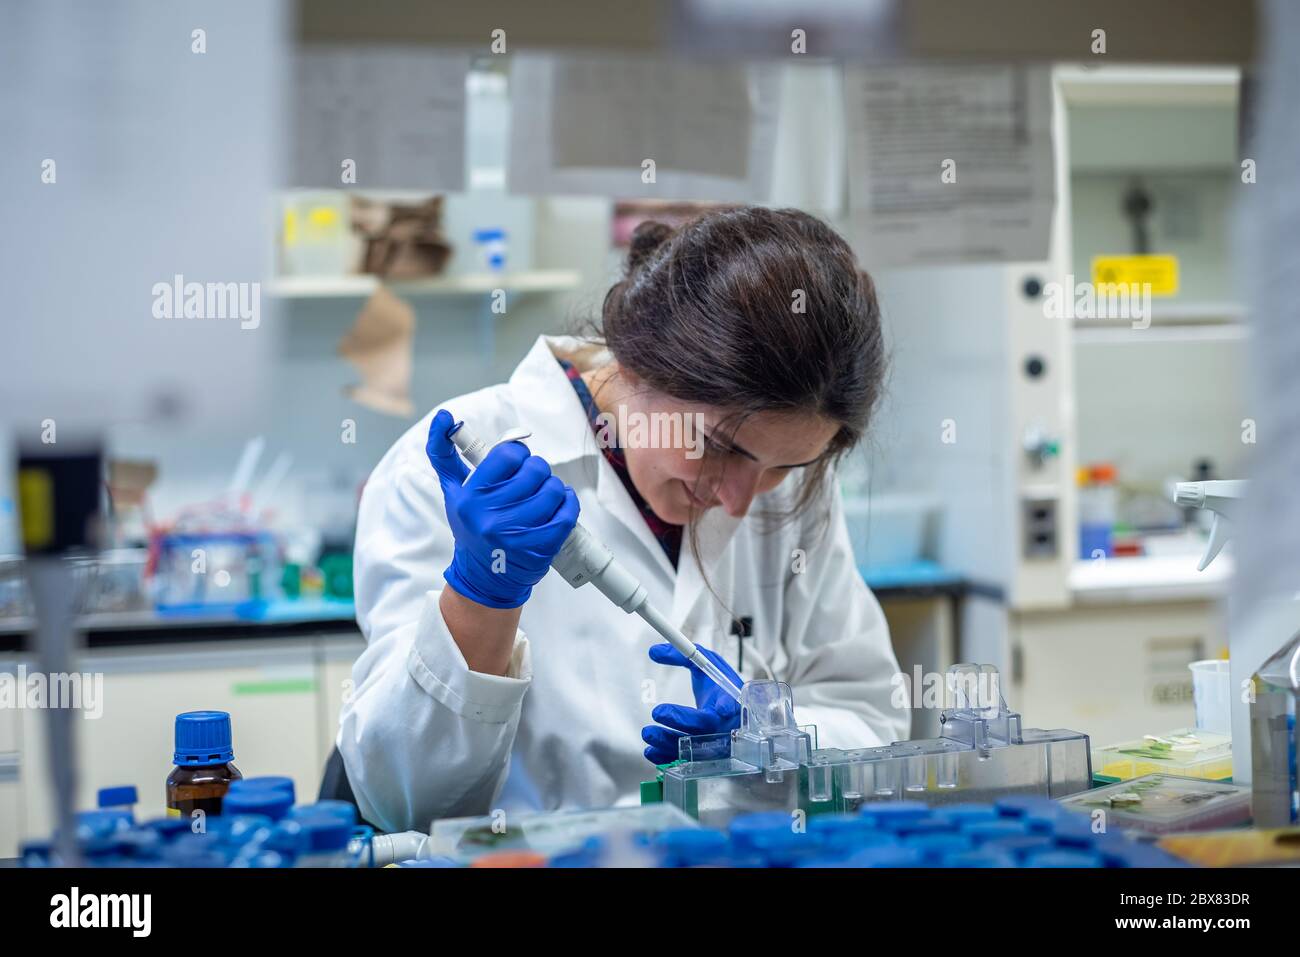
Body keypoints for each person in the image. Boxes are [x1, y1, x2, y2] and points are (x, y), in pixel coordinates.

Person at [334, 206, 908, 832]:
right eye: (718, 446)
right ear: (635, 366)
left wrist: (773, 738)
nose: (742, 500)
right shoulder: (447, 475)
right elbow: (402, 805)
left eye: (783, 467)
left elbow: (867, 714)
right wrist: (480, 597)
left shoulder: (791, 488)